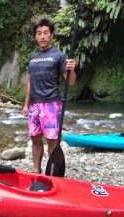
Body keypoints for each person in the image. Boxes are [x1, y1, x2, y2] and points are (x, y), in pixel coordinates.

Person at [22, 18, 77, 173]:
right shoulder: (33, 57)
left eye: (46, 33)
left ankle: (53, 173)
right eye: (39, 33)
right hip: (34, 104)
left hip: (51, 104)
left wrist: (72, 69)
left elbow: (70, 81)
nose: (42, 36)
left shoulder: (59, 55)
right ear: (35, 36)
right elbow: (30, 81)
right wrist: (26, 104)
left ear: (52, 35)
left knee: (53, 141)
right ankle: (36, 170)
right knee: (35, 139)